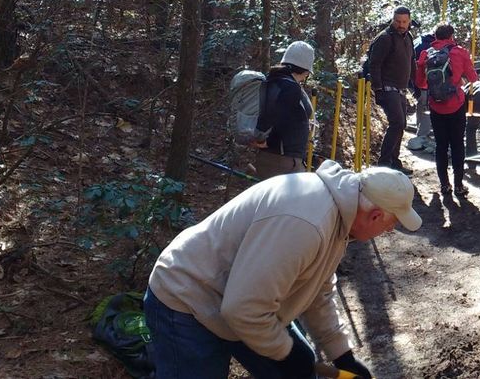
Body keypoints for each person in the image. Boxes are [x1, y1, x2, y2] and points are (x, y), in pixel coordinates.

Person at [143, 160, 422, 378]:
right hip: (188, 299)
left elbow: (318, 291)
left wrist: (341, 355)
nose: (387, 231)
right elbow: (243, 309)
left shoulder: (340, 217)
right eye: (389, 226)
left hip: (242, 301)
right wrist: (286, 352)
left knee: (297, 370)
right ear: (374, 215)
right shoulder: (307, 222)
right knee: (291, 360)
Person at [414, 24, 478, 198]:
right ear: (452, 35)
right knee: (457, 144)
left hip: (436, 106)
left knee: (441, 145)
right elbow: (473, 78)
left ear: (435, 36)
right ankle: (458, 186)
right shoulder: (459, 52)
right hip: (456, 105)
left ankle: (444, 186)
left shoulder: (426, 54)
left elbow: (421, 84)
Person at [254, 41, 316, 180]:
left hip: (271, 158)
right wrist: (269, 141)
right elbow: (280, 118)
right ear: (305, 70)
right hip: (284, 162)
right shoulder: (290, 88)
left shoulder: (272, 80)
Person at [368, 6, 414, 172]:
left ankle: (394, 161)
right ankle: (385, 163)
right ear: (393, 20)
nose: (401, 24)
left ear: (409, 21)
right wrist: (378, 89)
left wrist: (415, 85)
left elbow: (411, 62)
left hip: (401, 88)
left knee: (401, 124)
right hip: (387, 87)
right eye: (397, 21)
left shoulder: (408, 36)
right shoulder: (385, 38)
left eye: (404, 22)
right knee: (397, 122)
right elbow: (375, 64)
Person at [410, 30, 436, 143]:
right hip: (427, 82)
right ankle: (422, 135)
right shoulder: (431, 47)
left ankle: (419, 129)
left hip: (416, 81)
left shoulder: (418, 41)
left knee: (421, 104)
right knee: (426, 107)